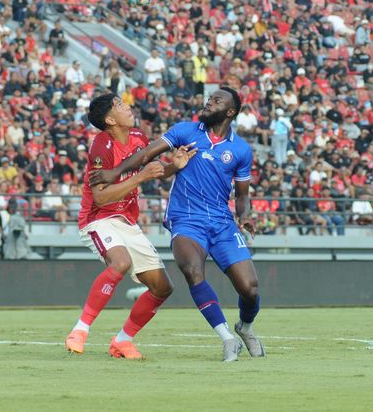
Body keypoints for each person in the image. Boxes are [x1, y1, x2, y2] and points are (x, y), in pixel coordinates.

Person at [90, 87, 264, 362]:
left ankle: (245, 327)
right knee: (192, 270)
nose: (209, 102)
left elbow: (242, 196)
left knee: (250, 288)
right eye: (209, 98)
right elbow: (146, 155)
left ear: (230, 112)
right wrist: (114, 172)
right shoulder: (186, 130)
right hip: (185, 219)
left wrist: (245, 217)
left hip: (221, 221)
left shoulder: (241, 149)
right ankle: (227, 338)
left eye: (217, 100)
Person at [65, 93, 196, 360]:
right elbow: (101, 197)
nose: (128, 108)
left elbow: (151, 170)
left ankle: (122, 341)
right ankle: (80, 330)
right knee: (120, 262)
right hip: (98, 218)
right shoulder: (101, 146)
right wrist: (140, 177)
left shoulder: (138, 136)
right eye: (121, 106)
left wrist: (174, 166)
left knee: (163, 287)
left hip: (126, 219)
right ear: (110, 119)